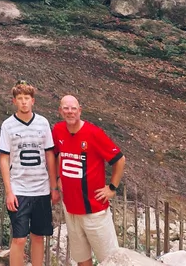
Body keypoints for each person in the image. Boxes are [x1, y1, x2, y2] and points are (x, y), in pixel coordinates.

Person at [53, 95, 126, 266]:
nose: (69, 112)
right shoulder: (57, 130)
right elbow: (55, 153)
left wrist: (112, 187)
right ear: (60, 111)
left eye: (73, 108)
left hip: (94, 210)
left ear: (79, 110)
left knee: (110, 260)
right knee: (82, 259)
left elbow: (119, 159)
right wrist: (58, 177)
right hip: (71, 208)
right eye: (66, 108)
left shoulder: (93, 133)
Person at [0, 81, 60, 266]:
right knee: (19, 238)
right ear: (14, 101)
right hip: (19, 190)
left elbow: (50, 155)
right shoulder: (8, 126)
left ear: (33, 101)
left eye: (27, 98)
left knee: (38, 236)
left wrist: (53, 187)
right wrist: (9, 191)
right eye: (20, 99)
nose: (23, 102)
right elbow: (4, 158)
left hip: (41, 189)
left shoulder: (43, 123)